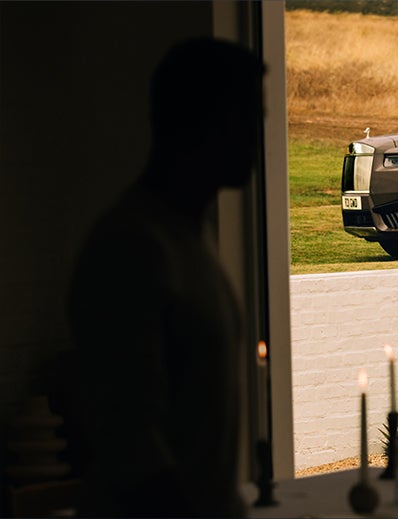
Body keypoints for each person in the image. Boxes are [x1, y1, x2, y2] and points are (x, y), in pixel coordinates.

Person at [68, 37, 265, 517]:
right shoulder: (132, 247)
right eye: (247, 117)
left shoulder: (191, 237)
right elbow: (129, 442)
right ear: (200, 122)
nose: (258, 135)